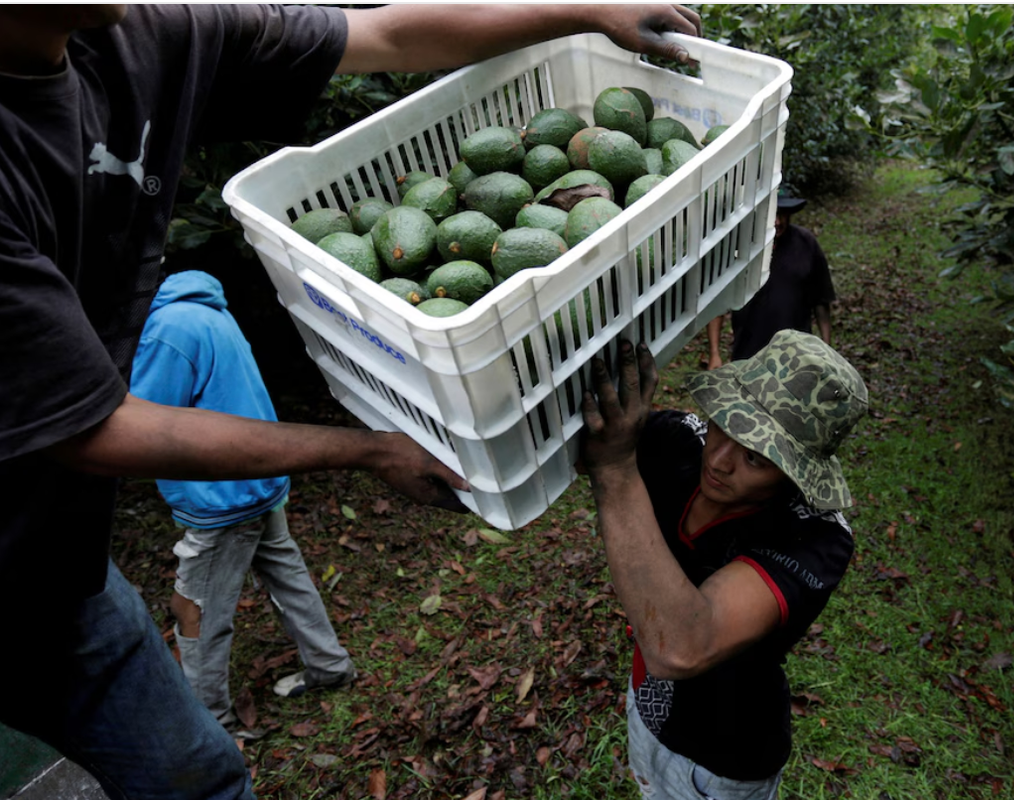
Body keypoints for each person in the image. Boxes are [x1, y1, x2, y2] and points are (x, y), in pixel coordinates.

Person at [0, 5, 702, 799]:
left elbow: (385, 36)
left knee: (198, 777)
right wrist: (368, 448)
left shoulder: (144, 34)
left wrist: (583, 9)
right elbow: (94, 428)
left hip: (60, 569)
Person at [580, 330, 867, 798]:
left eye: (756, 457)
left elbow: (679, 646)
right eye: (725, 425)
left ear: (796, 470)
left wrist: (614, 470)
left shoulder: (815, 538)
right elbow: (573, 443)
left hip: (722, 755)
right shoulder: (680, 441)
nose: (719, 460)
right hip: (650, 707)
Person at [130, 269, 357, 741]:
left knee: (195, 609)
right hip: (258, 480)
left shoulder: (166, 331)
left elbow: (144, 427)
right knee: (286, 575)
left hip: (224, 498)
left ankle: (212, 726)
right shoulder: (203, 307)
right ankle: (330, 665)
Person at [705, 190, 835, 370]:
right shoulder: (739, 249)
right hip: (749, 357)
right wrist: (714, 354)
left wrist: (827, 351)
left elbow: (821, 301)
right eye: (771, 214)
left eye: (782, 214)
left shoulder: (806, 244)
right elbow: (716, 306)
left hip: (798, 359)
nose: (778, 222)